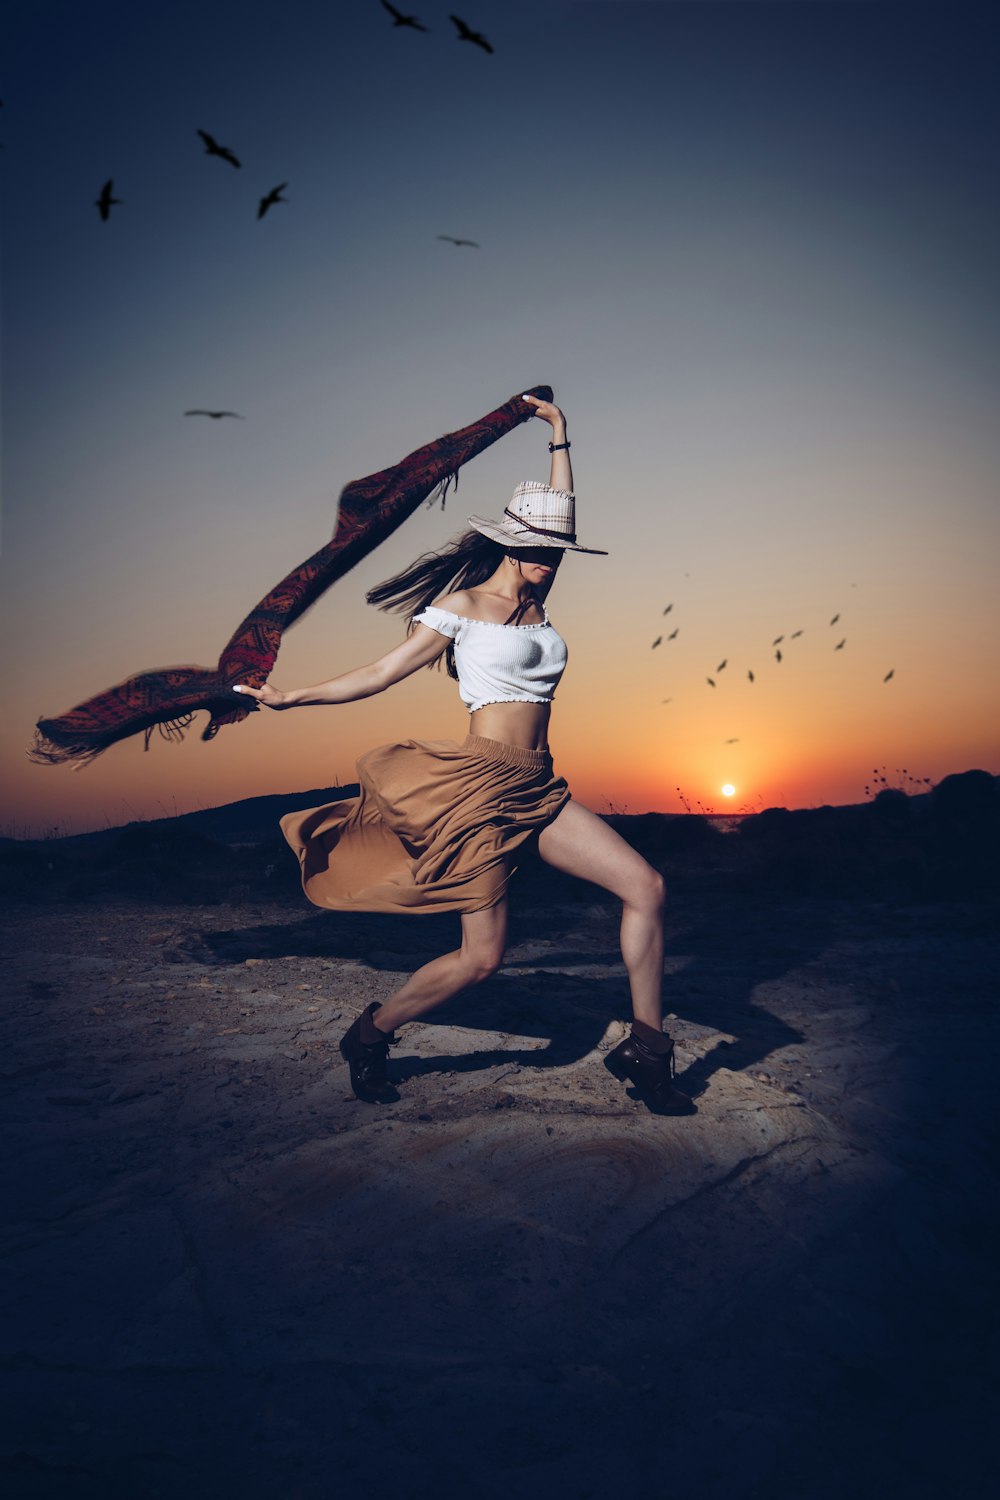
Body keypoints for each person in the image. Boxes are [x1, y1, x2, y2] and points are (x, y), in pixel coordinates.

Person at [234, 395, 694, 1115]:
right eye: (538, 550)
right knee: (481, 960)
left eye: (557, 552)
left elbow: (560, 508)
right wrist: (294, 698)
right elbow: (382, 673)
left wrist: (560, 437)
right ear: (511, 542)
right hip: (478, 789)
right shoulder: (465, 605)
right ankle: (372, 1032)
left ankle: (646, 1048)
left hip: (538, 787)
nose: (549, 564)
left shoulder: (542, 597)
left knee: (647, 888)